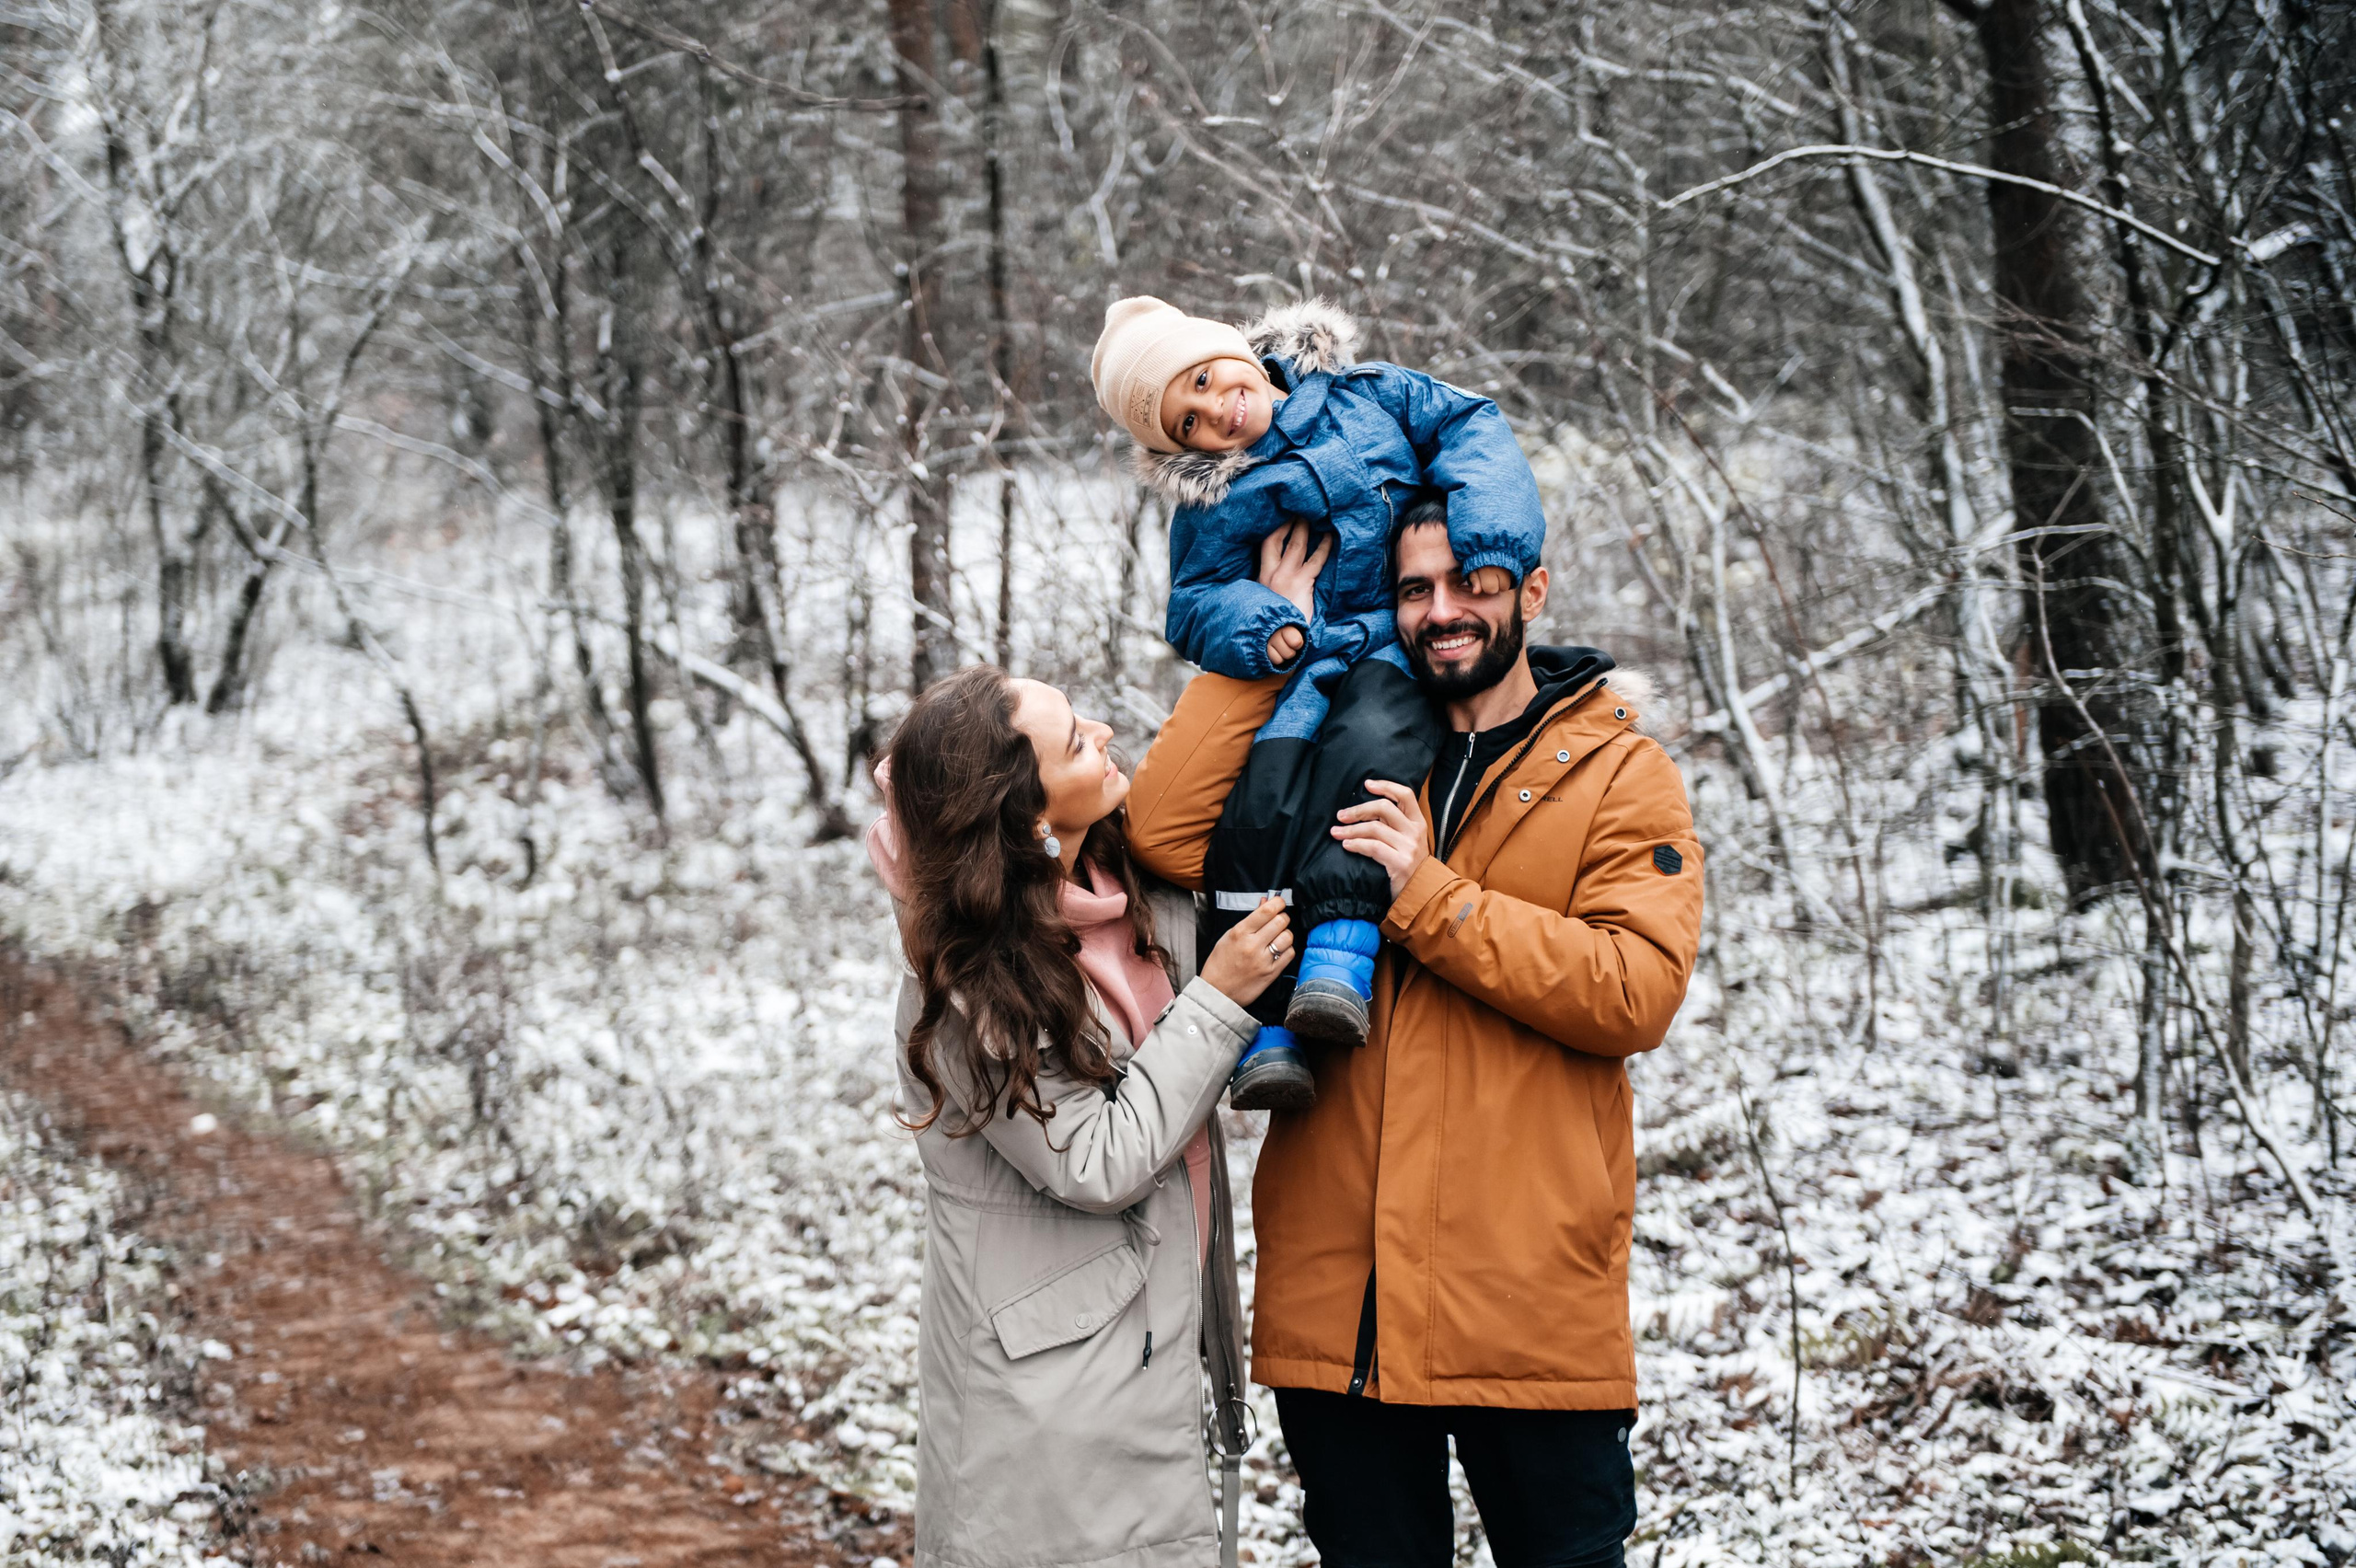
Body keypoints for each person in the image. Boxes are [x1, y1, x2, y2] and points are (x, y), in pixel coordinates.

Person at [1126, 517, 1706, 1568]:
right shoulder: (1328, 745)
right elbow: (1163, 836)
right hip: (1340, 1309)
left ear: (1531, 590)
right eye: (1412, 587)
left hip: (1527, 1307)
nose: (1441, 610)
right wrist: (1269, 645)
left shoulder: (1618, 770)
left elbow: (1635, 991)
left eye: (1471, 583)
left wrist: (1426, 897)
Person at [865, 664, 1295, 1568]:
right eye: (1073, 740)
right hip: (1048, 1430)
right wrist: (1217, 1000)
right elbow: (1094, 1160)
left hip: (1142, 1364)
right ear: (1027, 818)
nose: (1101, 732)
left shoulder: (1112, 887)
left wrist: (1259, 634)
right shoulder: (966, 982)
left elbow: (1191, 783)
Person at [1091, 296, 1546, 1108]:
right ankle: (1266, 1031)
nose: (1216, 411)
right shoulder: (1215, 501)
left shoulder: (1364, 392)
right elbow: (1191, 601)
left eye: (1205, 378)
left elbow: (1471, 426)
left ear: (1233, 346)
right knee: (1257, 811)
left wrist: (1487, 541)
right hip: (1299, 668)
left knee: (1366, 766)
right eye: (1188, 424)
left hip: (1389, 648)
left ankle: (1338, 951)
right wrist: (1265, 622)